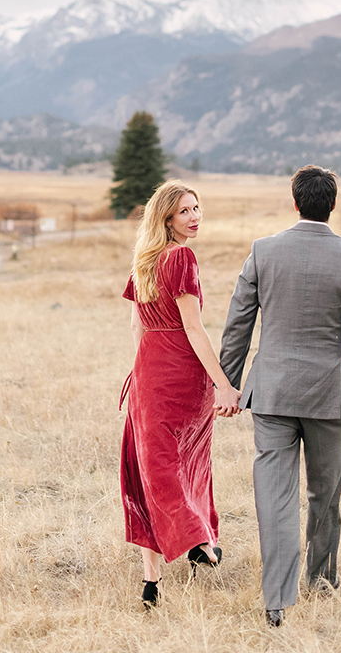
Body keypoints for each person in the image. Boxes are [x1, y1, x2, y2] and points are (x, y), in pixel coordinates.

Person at [219, 165, 341, 626]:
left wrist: (229, 385)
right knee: (325, 492)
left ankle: (276, 601)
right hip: (328, 395)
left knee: (275, 495)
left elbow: (238, 323)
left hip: (270, 393)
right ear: (332, 205)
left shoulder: (262, 251)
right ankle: (321, 580)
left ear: (295, 203)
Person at [119, 180, 241, 609]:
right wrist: (223, 382)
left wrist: (141, 372)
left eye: (197, 208)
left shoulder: (142, 261)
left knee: (148, 469)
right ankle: (198, 543)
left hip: (147, 371)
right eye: (186, 211)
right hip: (182, 372)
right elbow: (193, 327)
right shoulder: (181, 257)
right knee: (184, 463)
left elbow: (136, 327)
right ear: (167, 218)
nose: (195, 217)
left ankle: (151, 581)